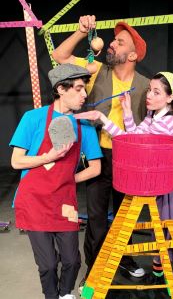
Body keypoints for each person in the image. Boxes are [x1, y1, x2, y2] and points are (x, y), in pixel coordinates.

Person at [52, 15, 149, 285]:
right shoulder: (96, 70)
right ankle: (93, 270)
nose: (112, 44)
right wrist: (81, 31)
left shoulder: (145, 85)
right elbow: (60, 56)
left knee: (124, 216)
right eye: (114, 40)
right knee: (95, 219)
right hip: (96, 157)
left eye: (119, 42)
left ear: (132, 55)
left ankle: (124, 260)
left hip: (129, 160)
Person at [74, 72, 173, 283]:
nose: (148, 95)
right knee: (162, 226)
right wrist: (128, 111)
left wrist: (102, 118)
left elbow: (130, 142)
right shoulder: (153, 115)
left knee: (172, 226)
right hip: (158, 174)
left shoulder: (172, 122)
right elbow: (136, 133)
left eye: (156, 92)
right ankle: (163, 271)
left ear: (170, 98)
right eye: (149, 89)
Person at [9, 63, 102, 299]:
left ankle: (65, 294)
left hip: (64, 202)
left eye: (85, 89)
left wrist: (66, 179)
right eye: (79, 88)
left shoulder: (84, 125)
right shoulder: (33, 118)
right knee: (49, 264)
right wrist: (48, 158)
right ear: (61, 88)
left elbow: (95, 168)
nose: (84, 95)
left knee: (72, 260)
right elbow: (17, 162)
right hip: (33, 202)